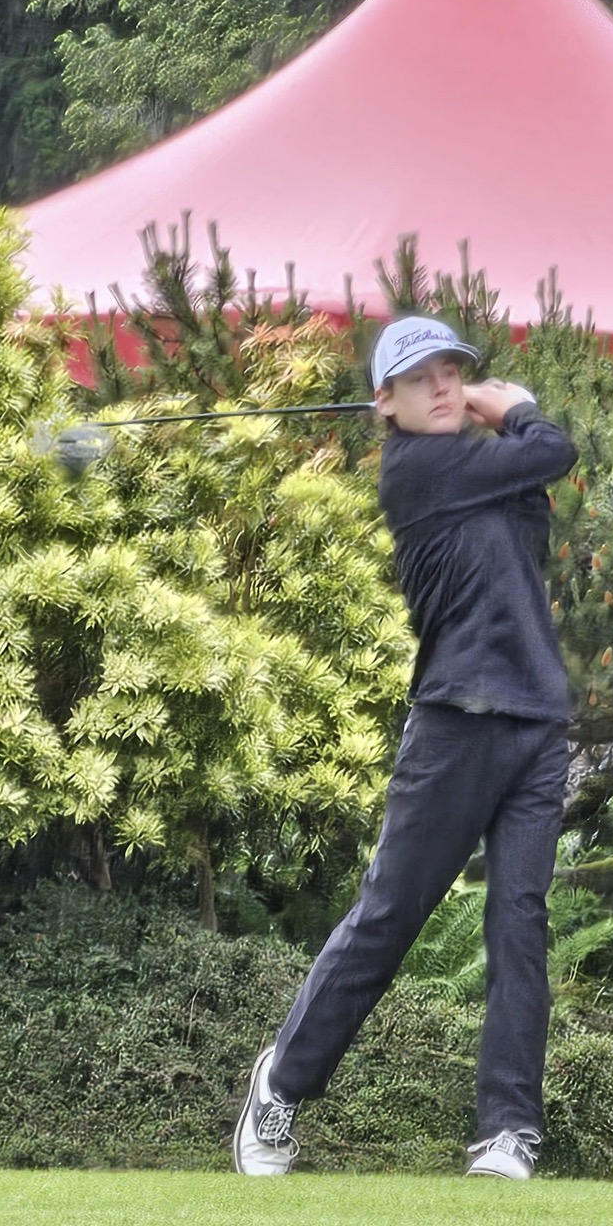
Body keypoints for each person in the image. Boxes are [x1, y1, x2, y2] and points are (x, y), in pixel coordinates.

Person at [232, 315, 578, 1181]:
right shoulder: (417, 469)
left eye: (453, 370)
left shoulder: (481, 469)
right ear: (384, 402)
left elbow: (532, 500)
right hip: (456, 720)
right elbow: (553, 450)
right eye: (420, 377)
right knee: (391, 916)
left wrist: (505, 426)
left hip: (538, 718)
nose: (443, 385)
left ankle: (507, 1131)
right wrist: (516, 406)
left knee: (520, 926)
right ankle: (281, 1083)